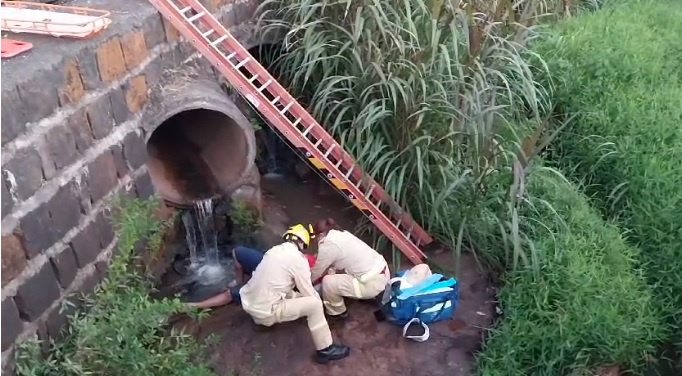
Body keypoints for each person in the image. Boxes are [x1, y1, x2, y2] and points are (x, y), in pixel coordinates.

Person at [239, 224, 350, 364]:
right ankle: (326, 349)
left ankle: (261, 321)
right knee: (314, 305)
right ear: (302, 243)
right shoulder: (298, 260)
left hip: (250, 303)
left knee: (291, 294)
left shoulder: (274, 251)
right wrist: (323, 310)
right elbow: (309, 293)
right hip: (266, 312)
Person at [188, 246, 321, 309]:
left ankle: (196, 306)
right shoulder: (315, 258)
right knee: (237, 252)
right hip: (273, 266)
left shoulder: (321, 273)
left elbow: (306, 289)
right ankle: (239, 281)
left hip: (276, 280)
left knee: (232, 294)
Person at [310, 218, 390, 321]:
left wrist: (303, 284)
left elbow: (316, 272)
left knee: (328, 283)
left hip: (370, 284)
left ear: (320, 235)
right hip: (383, 271)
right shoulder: (343, 234)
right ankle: (370, 296)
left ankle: (338, 312)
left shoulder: (328, 245)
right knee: (337, 273)